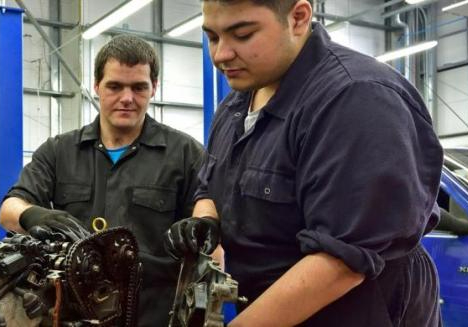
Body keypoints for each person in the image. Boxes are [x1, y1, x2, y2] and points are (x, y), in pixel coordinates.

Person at [165, 0, 443, 326]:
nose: (221, 54)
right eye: (212, 37)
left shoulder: (356, 98)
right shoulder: (233, 107)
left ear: (298, 18)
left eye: (242, 35)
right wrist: (207, 221)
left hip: (355, 312)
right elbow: (209, 186)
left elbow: (342, 261)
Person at [0, 34, 206, 326]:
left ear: (154, 88)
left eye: (138, 87)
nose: (126, 98)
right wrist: (35, 214)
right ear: (96, 86)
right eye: (114, 86)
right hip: (72, 315)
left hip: (154, 316)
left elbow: (209, 235)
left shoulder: (185, 154)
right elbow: (9, 210)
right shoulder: (59, 152)